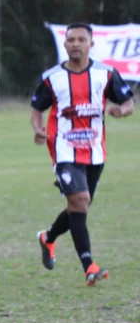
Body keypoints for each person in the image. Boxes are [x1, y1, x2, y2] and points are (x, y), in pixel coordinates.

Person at [31, 22, 134, 285]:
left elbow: (128, 101)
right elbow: (36, 109)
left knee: (79, 205)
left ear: (91, 44)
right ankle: (89, 266)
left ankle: (48, 237)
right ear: (65, 45)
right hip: (63, 148)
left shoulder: (106, 73)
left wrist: (121, 110)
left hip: (95, 151)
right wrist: (38, 129)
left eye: (81, 40)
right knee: (80, 200)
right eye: (71, 40)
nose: (75, 44)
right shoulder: (51, 77)